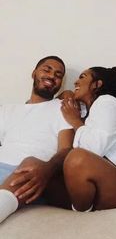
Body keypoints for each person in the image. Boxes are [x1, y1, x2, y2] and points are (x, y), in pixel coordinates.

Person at [0, 56, 74, 223]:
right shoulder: (7, 109)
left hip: (31, 174)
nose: (51, 76)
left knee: (30, 163)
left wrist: (47, 169)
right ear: (34, 73)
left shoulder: (62, 108)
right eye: (46, 69)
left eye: (58, 74)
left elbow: (66, 149)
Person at [60, 66, 116, 212]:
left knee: (77, 158)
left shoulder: (107, 101)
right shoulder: (88, 112)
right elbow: (64, 98)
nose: (76, 81)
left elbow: (93, 149)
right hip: (97, 183)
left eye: (82, 76)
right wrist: (67, 95)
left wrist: (75, 121)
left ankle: (79, 215)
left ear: (97, 84)